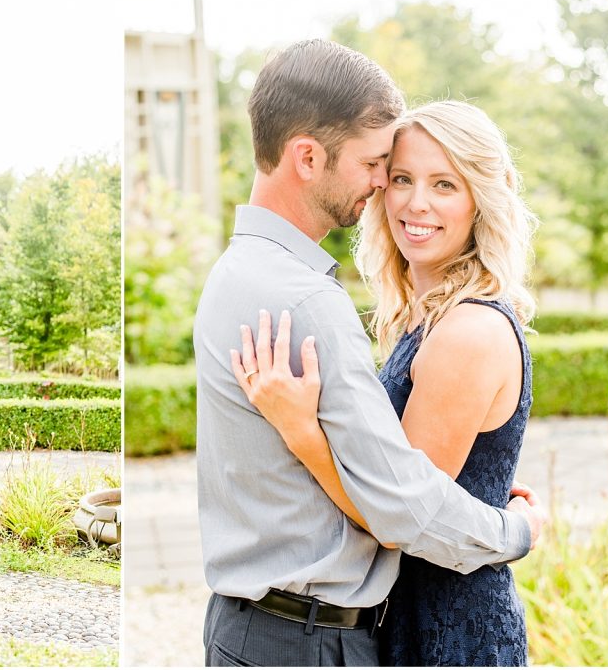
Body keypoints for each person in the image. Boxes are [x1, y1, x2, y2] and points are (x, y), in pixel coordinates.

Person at [194, 39, 548, 667]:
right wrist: (510, 530)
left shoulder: (243, 273)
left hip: (446, 619)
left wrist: (307, 437)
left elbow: (396, 507)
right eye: (390, 171)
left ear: (480, 199)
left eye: (444, 184)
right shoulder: (323, 300)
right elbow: (398, 499)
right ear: (308, 156)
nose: (397, 191)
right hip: (337, 626)